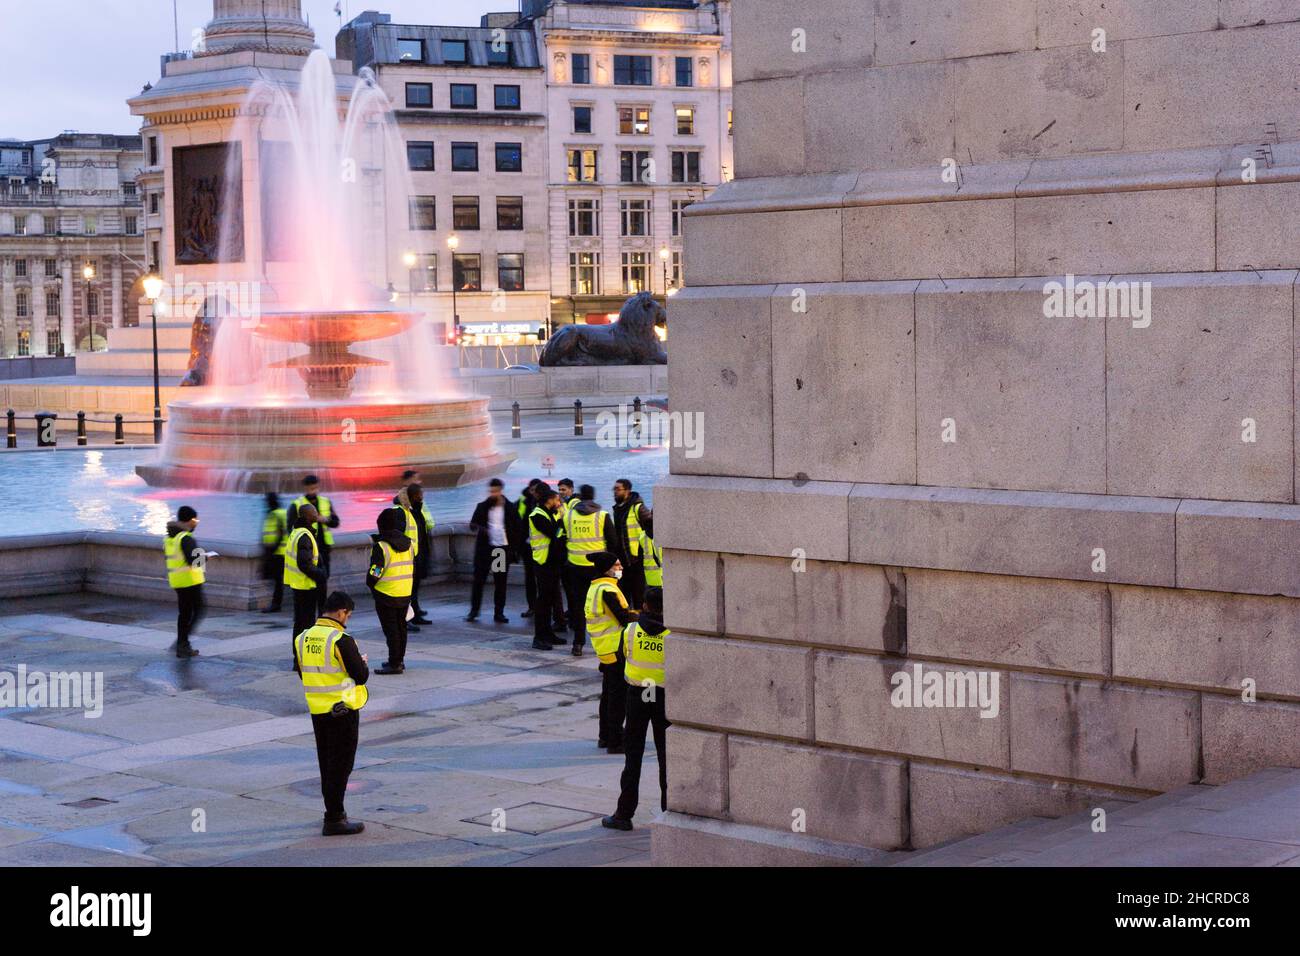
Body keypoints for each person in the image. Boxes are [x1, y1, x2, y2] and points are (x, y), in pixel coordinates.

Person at [293, 590, 369, 836]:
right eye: (348, 615)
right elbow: (360, 676)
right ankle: (334, 817)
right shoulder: (341, 639)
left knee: (327, 763)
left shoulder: (302, 637)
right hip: (343, 710)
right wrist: (362, 661)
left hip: (318, 709)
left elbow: (303, 671)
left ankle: (333, 811)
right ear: (340, 612)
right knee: (341, 765)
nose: (347, 619)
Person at [603, 586, 669, 831]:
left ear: (644, 606)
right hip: (662, 697)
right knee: (666, 757)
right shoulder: (673, 634)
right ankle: (669, 812)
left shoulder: (630, 630)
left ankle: (623, 814)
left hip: (638, 696)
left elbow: (622, 660)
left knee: (633, 757)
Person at [585, 552, 636, 752]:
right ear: (607, 568)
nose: (620, 568)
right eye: (617, 565)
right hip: (615, 649)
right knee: (617, 698)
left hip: (604, 649)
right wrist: (642, 615)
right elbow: (623, 618)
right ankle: (615, 740)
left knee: (608, 695)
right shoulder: (607, 590)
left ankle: (605, 736)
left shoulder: (596, 587)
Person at [562, 484, 620, 658]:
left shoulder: (569, 514)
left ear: (580, 497)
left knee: (578, 606)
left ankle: (578, 643)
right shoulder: (602, 515)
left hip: (575, 566)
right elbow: (613, 541)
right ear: (593, 497)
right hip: (598, 569)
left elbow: (563, 535)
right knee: (603, 605)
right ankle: (605, 644)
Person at [467, 478, 521, 623]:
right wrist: (482, 529)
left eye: (496, 491)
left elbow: (517, 529)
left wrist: (513, 549)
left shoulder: (510, 508)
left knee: (500, 582)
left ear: (501, 491)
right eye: (491, 491)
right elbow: (472, 525)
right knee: (479, 580)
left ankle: (499, 612)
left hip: (501, 550)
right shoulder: (482, 506)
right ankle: (474, 611)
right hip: (485, 549)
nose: (493, 494)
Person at [367, 507, 413, 675]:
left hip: (386, 594)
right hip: (405, 592)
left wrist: (370, 582)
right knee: (402, 628)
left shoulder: (382, 546)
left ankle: (394, 664)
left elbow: (376, 571)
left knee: (391, 630)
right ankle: (399, 660)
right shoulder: (409, 545)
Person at [292, 475, 340, 615]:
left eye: (315, 487)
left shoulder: (325, 501)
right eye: (310, 488)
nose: (313, 490)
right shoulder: (297, 504)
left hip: (323, 549)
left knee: (323, 580)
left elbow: (336, 522)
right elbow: (291, 527)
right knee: (311, 581)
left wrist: (325, 520)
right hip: (307, 549)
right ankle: (311, 611)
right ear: (305, 488)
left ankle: (322, 612)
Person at [527, 485, 568, 650]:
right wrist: (562, 519)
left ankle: (548, 634)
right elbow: (556, 533)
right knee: (543, 602)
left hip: (551, 563)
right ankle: (539, 637)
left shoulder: (547, 513)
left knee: (550, 599)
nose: (559, 502)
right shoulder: (537, 515)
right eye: (557, 499)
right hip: (543, 563)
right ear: (549, 500)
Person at [285, 503, 328, 653]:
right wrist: (321, 574)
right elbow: (304, 564)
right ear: (307, 516)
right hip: (306, 586)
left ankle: (298, 657)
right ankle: (301, 658)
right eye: (314, 511)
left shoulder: (297, 532)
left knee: (300, 624)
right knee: (306, 625)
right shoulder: (304, 535)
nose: (317, 513)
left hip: (299, 585)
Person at [164, 505, 205, 659]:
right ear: (189, 520)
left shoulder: (170, 538)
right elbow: (194, 561)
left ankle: (182, 644)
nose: (196, 523)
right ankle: (182, 644)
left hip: (177, 581)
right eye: (195, 519)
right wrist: (206, 557)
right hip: (190, 581)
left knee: (185, 614)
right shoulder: (185, 538)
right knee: (198, 611)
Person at [394, 484, 433, 630]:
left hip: (418, 556)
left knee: (414, 589)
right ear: (413, 496)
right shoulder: (403, 513)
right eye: (419, 493)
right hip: (409, 557)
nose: (422, 495)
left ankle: (415, 615)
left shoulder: (416, 511)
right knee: (407, 591)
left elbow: (421, 534)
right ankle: (406, 619)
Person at [612, 479, 649, 610]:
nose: (615, 492)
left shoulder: (638, 508)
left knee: (638, 595)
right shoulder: (617, 508)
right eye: (614, 489)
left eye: (618, 489)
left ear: (627, 491)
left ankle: (639, 622)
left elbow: (651, 528)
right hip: (622, 561)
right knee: (624, 595)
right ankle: (629, 623)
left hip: (636, 559)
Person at [517, 478, 542, 619]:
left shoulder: (545, 501)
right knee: (530, 578)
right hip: (527, 547)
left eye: (536, 491)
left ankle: (542, 607)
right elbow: (518, 522)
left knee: (542, 580)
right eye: (532, 490)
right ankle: (532, 607)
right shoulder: (523, 501)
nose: (534, 493)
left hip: (541, 548)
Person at [259, 492, 287, 613]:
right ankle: (276, 604)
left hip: (278, 552)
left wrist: (270, 551)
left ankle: (276, 605)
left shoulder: (276, 514)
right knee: (278, 580)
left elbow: (280, 533)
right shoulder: (278, 513)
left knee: (278, 580)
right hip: (278, 551)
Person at [639, 508, 662, 589]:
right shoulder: (665, 534)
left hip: (650, 580)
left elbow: (640, 560)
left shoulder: (642, 536)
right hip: (666, 578)